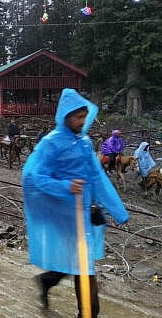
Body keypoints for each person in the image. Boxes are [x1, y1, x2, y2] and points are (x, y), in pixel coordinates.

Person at [22, 88, 129, 317]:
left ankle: (48, 281)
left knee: (80, 263)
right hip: (63, 216)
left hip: (84, 215)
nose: (82, 121)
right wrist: (65, 187)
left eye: (84, 116)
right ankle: (87, 313)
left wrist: (118, 211)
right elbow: (35, 176)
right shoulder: (51, 143)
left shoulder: (85, 142)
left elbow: (97, 177)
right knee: (83, 266)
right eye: (78, 117)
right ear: (65, 116)